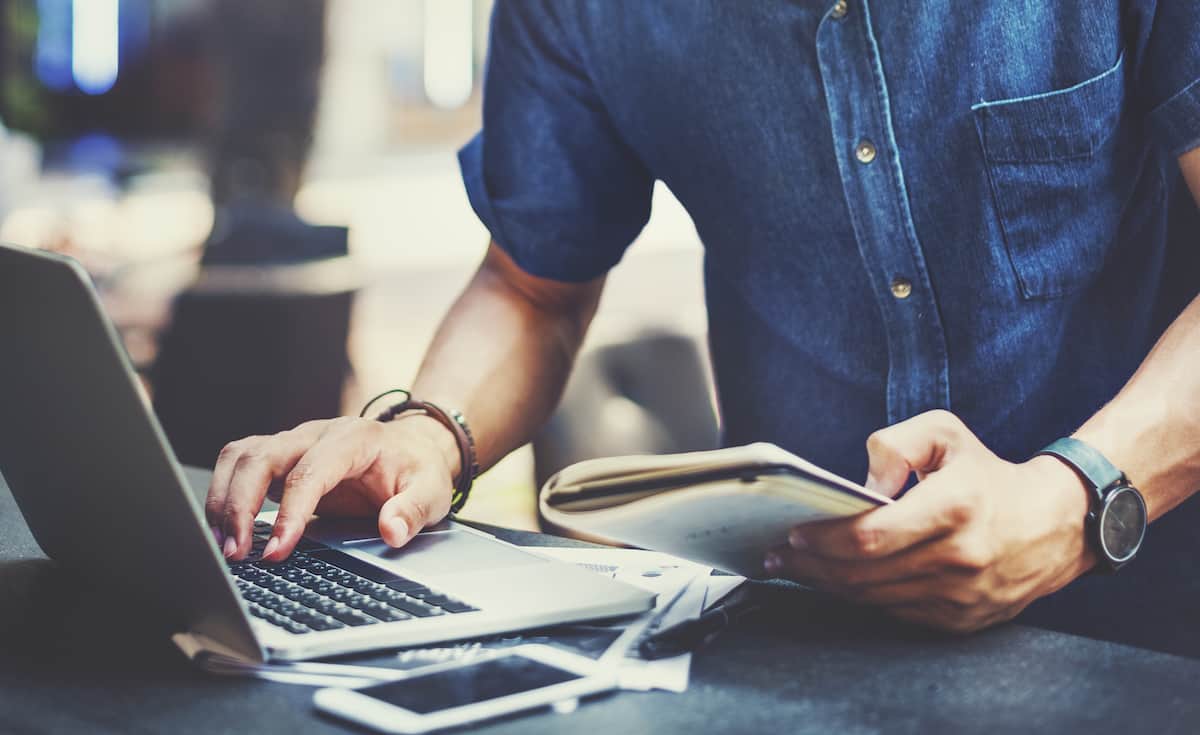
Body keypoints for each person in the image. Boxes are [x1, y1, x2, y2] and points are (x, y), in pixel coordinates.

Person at [206, 2, 1200, 641]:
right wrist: (425, 434)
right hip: (799, 640)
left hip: (1147, 633)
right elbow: (531, 286)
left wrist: (1075, 501)